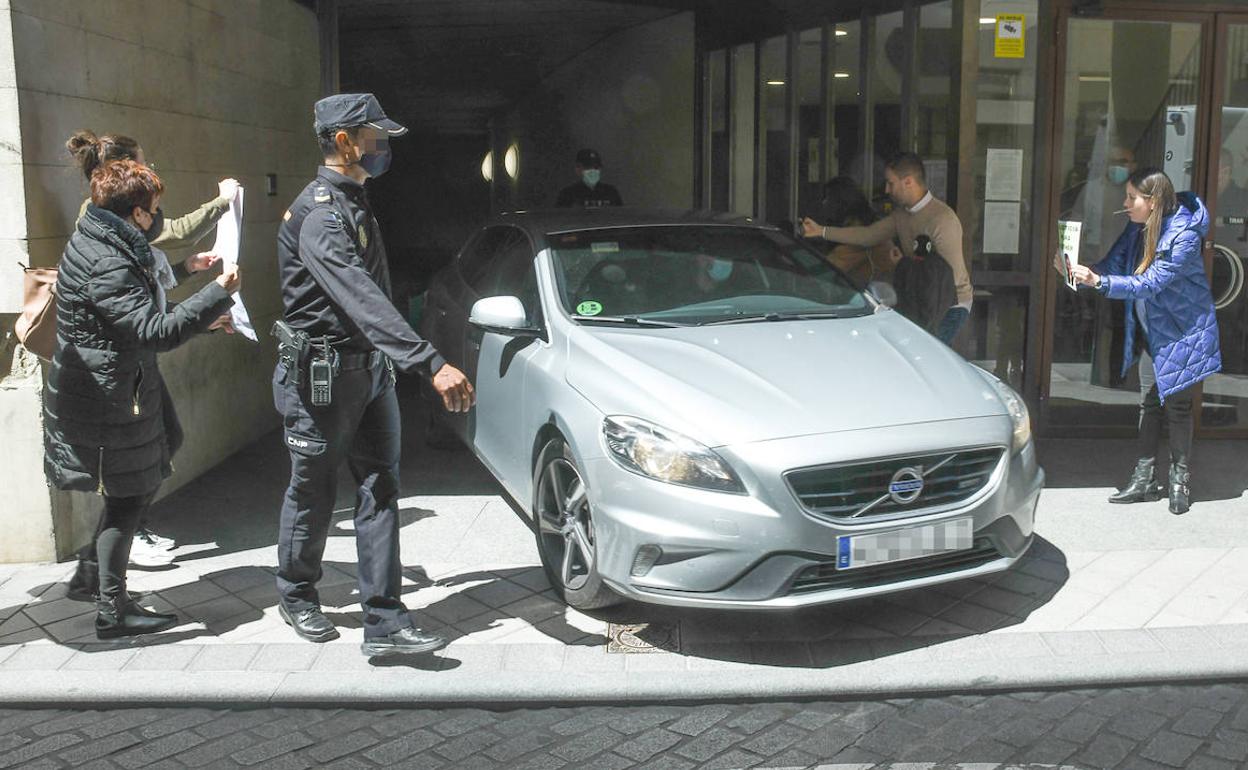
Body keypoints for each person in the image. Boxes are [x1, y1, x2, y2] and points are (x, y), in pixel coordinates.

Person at [274, 93, 475, 656]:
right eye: (375, 136)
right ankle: (295, 594)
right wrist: (429, 362)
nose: (383, 146)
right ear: (344, 141)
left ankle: (385, 623)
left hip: (370, 374)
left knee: (380, 487)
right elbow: (360, 297)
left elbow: (376, 295)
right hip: (323, 378)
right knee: (313, 490)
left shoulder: (354, 200)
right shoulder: (319, 214)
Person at [43, 159, 241, 638]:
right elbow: (152, 330)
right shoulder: (107, 259)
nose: (159, 215)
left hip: (123, 384)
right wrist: (216, 294)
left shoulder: (101, 237)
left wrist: (196, 298)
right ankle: (111, 607)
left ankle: (98, 569)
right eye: (154, 208)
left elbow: (133, 306)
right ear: (136, 214)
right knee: (128, 498)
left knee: (165, 445)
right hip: (109, 397)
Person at [1063, 167, 1221, 515]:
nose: (1125, 203)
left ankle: (1180, 480)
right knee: (1149, 403)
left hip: (1183, 331)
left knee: (1178, 407)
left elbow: (1151, 283)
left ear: (1152, 202)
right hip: (1154, 331)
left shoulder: (1184, 234)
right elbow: (1113, 263)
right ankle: (1145, 478)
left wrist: (1099, 282)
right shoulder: (1137, 227)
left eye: (1131, 197)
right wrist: (1078, 270)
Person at [801, 152, 973, 345]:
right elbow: (868, 235)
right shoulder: (902, 215)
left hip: (950, 305)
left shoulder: (942, 220)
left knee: (927, 358)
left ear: (908, 182)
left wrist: (903, 265)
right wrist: (821, 231)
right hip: (920, 300)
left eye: (891, 183)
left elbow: (947, 281)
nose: (886, 189)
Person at [811, 176, 892, 287]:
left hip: (871, 295)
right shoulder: (866, 222)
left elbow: (828, 268)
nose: (824, 203)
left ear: (842, 202)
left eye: (828, 198)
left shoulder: (858, 233)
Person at [555, 148, 623, 208]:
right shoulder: (567, 194)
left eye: (596, 167)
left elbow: (621, 218)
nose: (592, 171)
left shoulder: (611, 192)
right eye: (588, 167)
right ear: (577, 169)